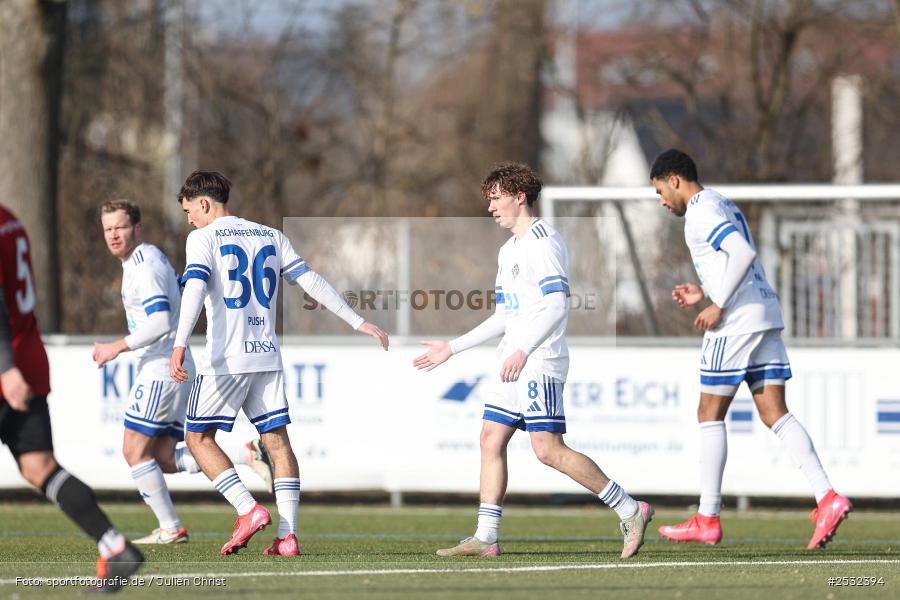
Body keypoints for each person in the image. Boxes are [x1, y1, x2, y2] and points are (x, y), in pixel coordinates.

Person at [414, 163, 653, 559]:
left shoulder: (544, 240)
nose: (490, 208)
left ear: (519, 196)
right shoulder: (508, 250)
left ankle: (630, 508)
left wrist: (524, 348)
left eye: (495, 198)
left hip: (539, 360)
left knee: (547, 450)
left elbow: (558, 303)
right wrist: (451, 348)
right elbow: (504, 316)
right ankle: (486, 536)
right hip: (514, 360)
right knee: (491, 439)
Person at [168, 170, 388, 556]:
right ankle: (288, 536)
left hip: (226, 359)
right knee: (278, 442)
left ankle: (247, 509)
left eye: (189, 210)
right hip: (266, 356)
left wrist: (179, 342)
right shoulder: (271, 235)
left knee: (197, 438)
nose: (189, 218)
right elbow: (311, 282)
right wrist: (359, 321)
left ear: (204, 204)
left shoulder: (202, 238)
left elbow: (196, 287)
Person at [649, 148, 852, 549]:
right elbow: (735, 258)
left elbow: (743, 253)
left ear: (674, 180)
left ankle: (707, 517)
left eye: (659, 191)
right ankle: (827, 497)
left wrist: (717, 303)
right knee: (774, 411)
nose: (661, 201)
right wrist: (705, 289)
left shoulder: (699, 212)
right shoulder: (722, 201)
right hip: (764, 311)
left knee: (709, 412)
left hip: (736, 320)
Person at [93, 200, 274, 545]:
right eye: (108, 229)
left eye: (121, 227)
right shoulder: (147, 260)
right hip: (172, 365)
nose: (114, 235)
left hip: (162, 367)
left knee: (134, 451)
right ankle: (248, 453)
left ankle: (171, 527)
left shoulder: (144, 266)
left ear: (137, 228)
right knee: (161, 456)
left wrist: (116, 346)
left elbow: (160, 321)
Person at [0, 204, 141, 592]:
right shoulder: (11, 220)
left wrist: (4, 367)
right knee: (38, 467)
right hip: (26, 358)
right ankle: (115, 546)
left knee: (39, 466)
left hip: (5, 364)